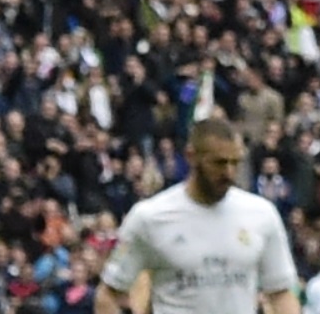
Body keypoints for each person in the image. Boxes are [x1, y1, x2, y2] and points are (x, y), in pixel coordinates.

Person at [105, 117, 302, 314]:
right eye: (219, 163)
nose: (229, 172)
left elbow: (281, 294)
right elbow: (108, 296)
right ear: (191, 156)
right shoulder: (149, 217)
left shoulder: (262, 214)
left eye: (235, 162)